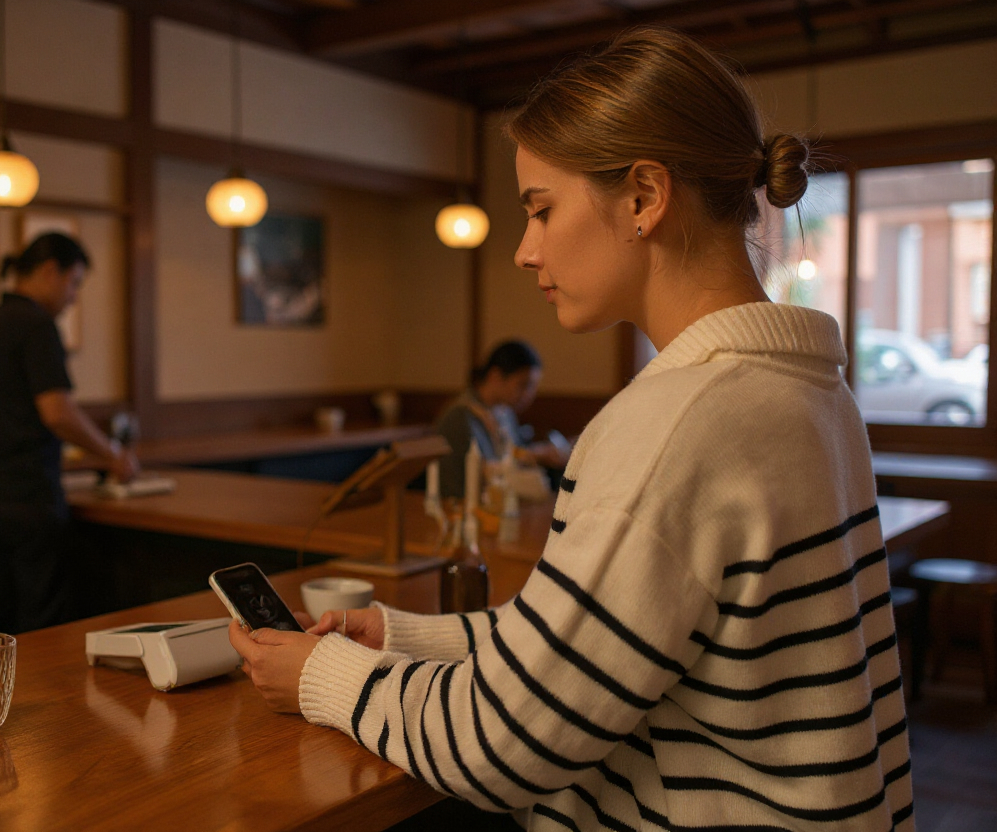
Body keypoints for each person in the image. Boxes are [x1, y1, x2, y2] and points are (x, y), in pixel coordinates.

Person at [228, 27, 912, 832]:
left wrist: (324, 675)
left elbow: (501, 744)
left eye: (542, 210)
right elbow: (590, 650)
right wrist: (402, 635)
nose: (525, 251)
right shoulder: (807, 390)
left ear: (644, 197)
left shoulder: (679, 420)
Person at [0, 233, 138, 634]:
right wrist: (112, 453)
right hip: (26, 495)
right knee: (39, 619)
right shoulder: (36, 325)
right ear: (48, 272)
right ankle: (35, 696)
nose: (73, 296)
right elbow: (57, 413)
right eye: (74, 282)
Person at [434, 339, 569, 499]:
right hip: (464, 504)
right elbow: (487, 472)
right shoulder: (460, 416)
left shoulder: (504, 412)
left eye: (533, 387)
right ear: (495, 376)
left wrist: (540, 454)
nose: (529, 394)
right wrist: (536, 455)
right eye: (523, 385)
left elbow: (510, 457)